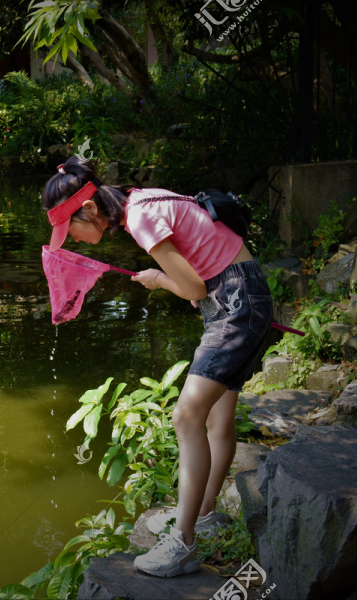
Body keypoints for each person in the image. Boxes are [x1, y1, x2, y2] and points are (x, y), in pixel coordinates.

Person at [43, 157, 272, 578]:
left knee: (186, 415)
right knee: (218, 418)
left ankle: (182, 545)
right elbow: (202, 253)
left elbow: (192, 287)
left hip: (233, 302)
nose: (71, 239)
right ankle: (204, 516)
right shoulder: (140, 199)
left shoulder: (141, 218)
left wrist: (157, 277)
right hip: (244, 288)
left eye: (69, 228)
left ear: (89, 209)